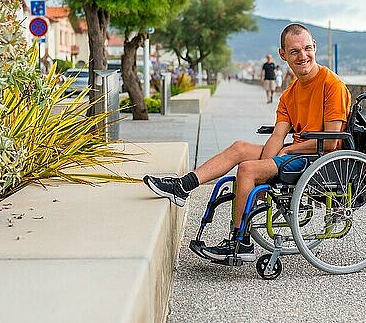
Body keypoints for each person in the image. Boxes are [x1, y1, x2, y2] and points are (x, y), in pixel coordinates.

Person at [143, 23, 352, 262]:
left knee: (247, 169)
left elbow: (332, 142)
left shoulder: (331, 85)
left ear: (314, 47)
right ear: (283, 54)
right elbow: (277, 136)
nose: (302, 56)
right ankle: (184, 186)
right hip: (295, 153)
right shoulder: (289, 94)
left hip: (318, 158)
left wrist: (277, 158)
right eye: (294, 51)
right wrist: (268, 166)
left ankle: (240, 242)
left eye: (306, 48)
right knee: (240, 148)